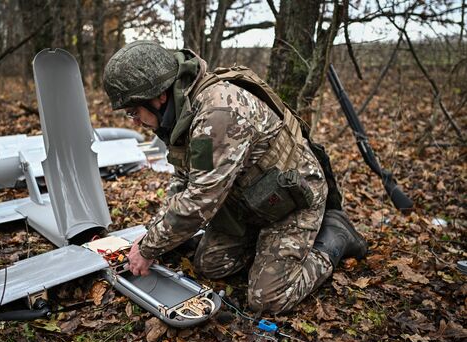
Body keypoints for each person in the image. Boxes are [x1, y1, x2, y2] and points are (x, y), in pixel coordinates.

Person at [103, 41, 367, 313]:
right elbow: (184, 182)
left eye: (134, 112)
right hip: (251, 199)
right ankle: (267, 245)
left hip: (294, 197)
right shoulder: (182, 113)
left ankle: (335, 237)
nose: (134, 122)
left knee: (268, 299)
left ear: (158, 96)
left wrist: (148, 249)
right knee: (211, 264)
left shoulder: (219, 113)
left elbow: (201, 199)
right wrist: (152, 234)